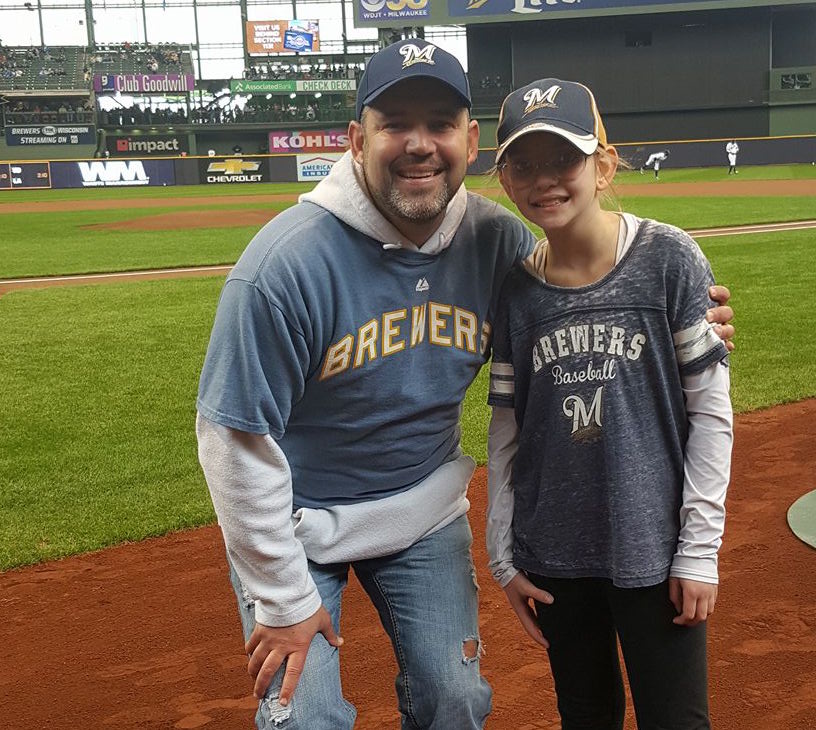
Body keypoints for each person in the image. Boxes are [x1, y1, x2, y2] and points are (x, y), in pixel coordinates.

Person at [196, 42, 736, 730]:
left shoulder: (499, 248)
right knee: (302, 719)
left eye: (440, 123)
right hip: (297, 523)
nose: (419, 144)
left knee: (453, 702)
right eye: (395, 124)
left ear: (470, 142)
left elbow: (576, 280)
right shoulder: (283, 266)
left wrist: (695, 318)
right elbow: (230, 437)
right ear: (357, 139)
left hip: (420, 514)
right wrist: (279, 596)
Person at [487, 78, 733, 729]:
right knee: (585, 716)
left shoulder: (668, 260)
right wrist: (501, 551)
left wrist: (698, 550)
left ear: (602, 164)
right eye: (523, 163)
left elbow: (709, 412)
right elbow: (507, 429)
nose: (544, 179)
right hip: (552, 553)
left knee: (675, 719)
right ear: (504, 179)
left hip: (651, 546)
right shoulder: (515, 292)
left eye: (562, 159)